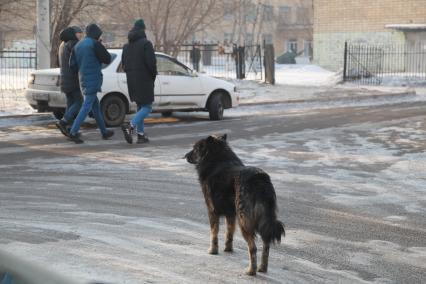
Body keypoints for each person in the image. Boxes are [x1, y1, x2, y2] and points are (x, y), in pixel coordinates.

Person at [68, 23, 114, 144]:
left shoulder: (78, 45)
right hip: (93, 79)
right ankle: (73, 132)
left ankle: (104, 132)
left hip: (82, 78)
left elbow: (72, 65)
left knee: (95, 107)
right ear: (97, 34)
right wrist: (100, 44)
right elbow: (107, 58)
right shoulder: (95, 44)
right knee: (86, 106)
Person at [121, 19, 157, 144]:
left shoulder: (126, 46)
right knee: (147, 107)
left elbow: (124, 65)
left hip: (132, 81)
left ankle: (141, 135)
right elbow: (151, 64)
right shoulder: (146, 44)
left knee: (140, 106)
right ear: (143, 30)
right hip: (144, 80)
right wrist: (152, 76)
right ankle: (130, 126)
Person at [55, 26, 83, 137]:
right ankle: (64, 122)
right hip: (72, 79)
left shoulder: (62, 45)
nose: (80, 35)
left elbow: (58, 62)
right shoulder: (73, 44)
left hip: (64, 78)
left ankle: (69, 129)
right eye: (79, 33)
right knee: (79, 102)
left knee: (71, 104)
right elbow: (77, 61)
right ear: (73, 34)